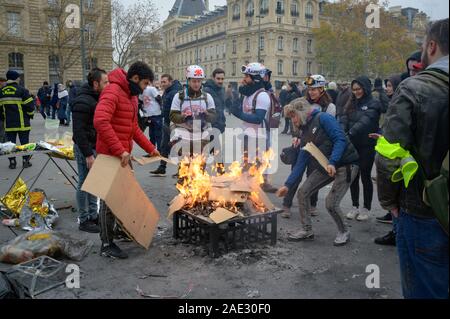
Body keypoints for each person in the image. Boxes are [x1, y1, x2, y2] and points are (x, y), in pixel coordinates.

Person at [376, 18, 448, 299]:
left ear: (431, 46)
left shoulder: (414, 89)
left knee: (425, 289)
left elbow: (387, 156)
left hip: (423, 210)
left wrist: (389, 203)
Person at [94, 61, 160, 259]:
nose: (146, 88)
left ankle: (121, 230)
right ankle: (106, 244)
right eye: (145, 83)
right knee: (109, 201)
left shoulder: (131, 96)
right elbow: (100, 121)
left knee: (124, 197)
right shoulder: (113, 91)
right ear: (135, 78)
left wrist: (151, 148)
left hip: (122, 156)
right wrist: (119, 150)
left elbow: (133, 129)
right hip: (109, 155)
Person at [276, 97, 359, 245]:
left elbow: (339, 139)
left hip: (346, 164)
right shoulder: (304, 131)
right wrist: (287, 185)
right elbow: (301, 162)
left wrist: (333, 162)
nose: (292, 121)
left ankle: (344, 231)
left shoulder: (324, 118)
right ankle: (306, 230)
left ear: (301, 113)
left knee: (331, 203)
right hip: (326, 165)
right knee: (303, 193)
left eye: (293, 116)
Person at [281, 75, 336, 218]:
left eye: (315, 89)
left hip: (318, 147)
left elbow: (327, 129)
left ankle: (312, 204)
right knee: (296, 173)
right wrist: (295, 136)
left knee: (313, 175)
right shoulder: (303, 102)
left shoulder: (329, 107)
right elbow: (294, 120)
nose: (311, 92)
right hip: (301, 144)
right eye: (310, 89)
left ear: (322, 89)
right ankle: (287, 204)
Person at [72, 68, 109, 233]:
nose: (108, 85)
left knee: (93, 182)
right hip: (84, 148)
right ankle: (84, 219)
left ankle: (94, 215)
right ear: (96, 84)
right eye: (105, 82)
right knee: (84, 183)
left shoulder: (96, 97)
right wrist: (88, 154)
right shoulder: (83, 101)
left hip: (93, 146)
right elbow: (78, 132)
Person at [231, 62, 277, 193]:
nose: (243, 79)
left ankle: (255, 198)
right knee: (246, 167)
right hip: (248, 135)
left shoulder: (262, 95)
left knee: (253, 171)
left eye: (246, 76)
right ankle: (246, 194)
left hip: (258, 138)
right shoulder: (249, 94)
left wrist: (239, 113)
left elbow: (258, 118)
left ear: (255, 78)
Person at [340, 76, 381, 221]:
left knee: (365, 176)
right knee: (353, 177)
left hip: (367, 145)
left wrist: (350, 133)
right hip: (352, 144)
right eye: (354, 89)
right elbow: (344, 117)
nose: (356, 92)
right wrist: (343, 131)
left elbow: (366, 121)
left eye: (359, 89)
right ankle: (354, 206)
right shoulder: (351, 102)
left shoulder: (374, 103)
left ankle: (366, 208)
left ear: (365, 88)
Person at [169, 65, 216, 173]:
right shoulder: (179, 96)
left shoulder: (207, 97)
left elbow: (214, 117)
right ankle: (183, 184)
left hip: (202, 133)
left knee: (200, 165)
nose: (197, 84)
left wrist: (206, 115)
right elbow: (172, 115)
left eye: (199, 81)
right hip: (184, 134)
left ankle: (200, 186)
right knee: (185, 165)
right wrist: (183, 117)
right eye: (194, 81)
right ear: (188, 81)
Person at [0, 70, 35, 169]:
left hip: (9, 124)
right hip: (22, 123)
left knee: (10, 145)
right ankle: (25, 161)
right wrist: (29, 115)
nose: (19, 79)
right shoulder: (22, 90)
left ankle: (12, 162)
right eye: (18, 77)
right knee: (25, 143)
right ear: (15, 78)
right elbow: (30, 106)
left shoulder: (1, 92)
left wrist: (3, 118)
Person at [150, 74, 182, 176]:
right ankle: (162, 167)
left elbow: (174, 109)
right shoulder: (168, 91)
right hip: (167, 122)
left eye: (164, 82)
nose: (162, 84)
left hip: (175, 124)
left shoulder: (174, 92)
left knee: (178, 148)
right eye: (161, 82)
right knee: (165, 147)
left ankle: (181, 170)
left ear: (170, 81)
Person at [203, 68, 226, 171]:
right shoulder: (206, 90)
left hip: (218, 125)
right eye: (218, 78)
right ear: (213, 78)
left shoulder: (221, 90)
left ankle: (218, 169)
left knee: (213, 148)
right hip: (209, 125)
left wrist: (222, 122)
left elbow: (221, 107)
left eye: (222, 79)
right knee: (211, 149)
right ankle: (220, 170)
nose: (220, 81)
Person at [141, 83, 163, 150]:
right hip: (148, 116)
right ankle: (152, 151)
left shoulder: (151, 89)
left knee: (158, 135)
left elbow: (159, 98)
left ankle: (160, 151)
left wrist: (161, 109)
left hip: (156, 114)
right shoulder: (140, 91)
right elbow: (140, 102)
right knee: (152, 135)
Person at [0, 77, 6, 143]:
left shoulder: (2, 90)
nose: (5, 83)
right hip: (1, 115)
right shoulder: (1, 91)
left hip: (2, 115)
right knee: (2, 133)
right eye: (4, 82)